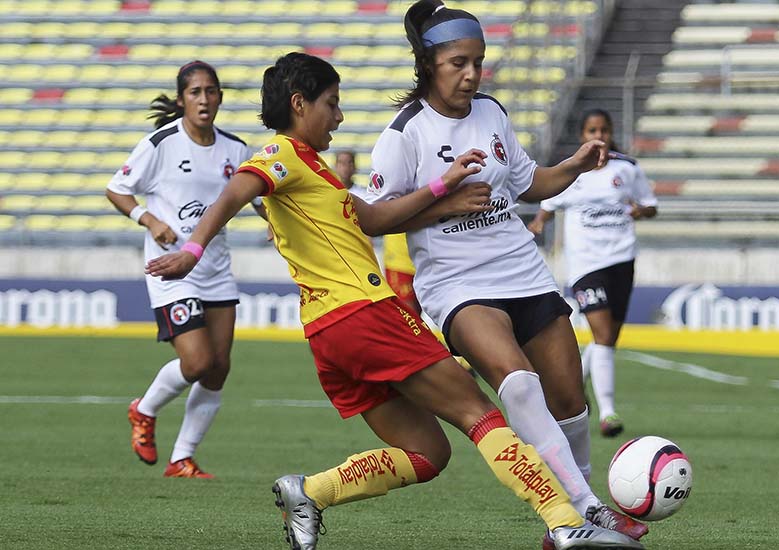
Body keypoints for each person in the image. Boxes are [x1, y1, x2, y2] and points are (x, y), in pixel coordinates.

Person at [144, 52, 641, 550]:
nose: (339, 116)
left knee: (427, 451)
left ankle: (311, 492)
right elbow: (237, 188)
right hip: (364, 313)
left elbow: (375, 219)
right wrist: (192, 250)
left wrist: (442, 188)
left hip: (327, 334)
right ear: (299, 104)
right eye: (331, 104)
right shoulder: (283, 155)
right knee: (478, 412)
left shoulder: (313, 170)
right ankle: (563, 520)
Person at [363, 2, 648, 548]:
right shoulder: (404, 134)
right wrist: (444, 202)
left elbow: (528, 182)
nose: (472, 74)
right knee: (517, 383)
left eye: (478, 62)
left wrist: (573, 166)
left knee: (571, 402)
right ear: (428, 64)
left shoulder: (492, 111)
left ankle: (570, 518)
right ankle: (585, 509)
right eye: (459, 63)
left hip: (523, 271)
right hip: (457, 284)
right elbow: (374, 218)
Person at [105, 60, 264, 478]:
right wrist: (148, 219)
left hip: (216, 270)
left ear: (220, 98)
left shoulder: (236, 149)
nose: (204, 100)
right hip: (171, 271)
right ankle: (144, 409)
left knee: (218, 368)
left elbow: (259, 199)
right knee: (196, 363)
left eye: (211, 91)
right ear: (181, 100)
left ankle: (182, 459)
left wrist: (276, 223)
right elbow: (117, 189)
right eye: (195, 92)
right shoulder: (160, 144)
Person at [527, 109, 658, 438]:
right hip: (585, 266)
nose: (598, 135)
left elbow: (650, 205)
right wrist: (537, 224)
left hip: (622, 259)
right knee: (601, 334)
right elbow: (548, 204)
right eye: (591, 130)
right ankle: (607, 413)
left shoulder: (627, 168)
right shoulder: (572, 171)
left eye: (603, 129)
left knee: (608, 339)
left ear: (611, 133)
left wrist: (641, 210)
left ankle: (577, 383)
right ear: (582, 136)